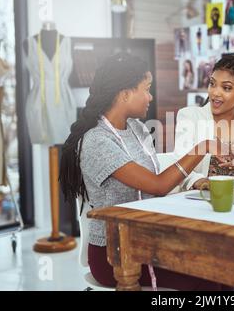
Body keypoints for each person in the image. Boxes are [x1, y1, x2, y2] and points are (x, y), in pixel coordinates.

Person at [59, 52, 225, 290]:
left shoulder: (137, 128)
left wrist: (193, 180)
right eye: (146, 89)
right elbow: (157, 184)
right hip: (115, 253)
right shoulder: (97, 141)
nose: (150, 96)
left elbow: (154, 171)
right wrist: (202, 148)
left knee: (225, 271)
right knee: (210, 281)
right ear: (125, 94)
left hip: (149, 239)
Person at [174, 55, 234, 191]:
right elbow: (177, 164)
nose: (215, 92)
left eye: (227, 88)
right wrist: (198, 180)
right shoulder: (190, 116)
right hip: (204, 197)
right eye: (212, 84)